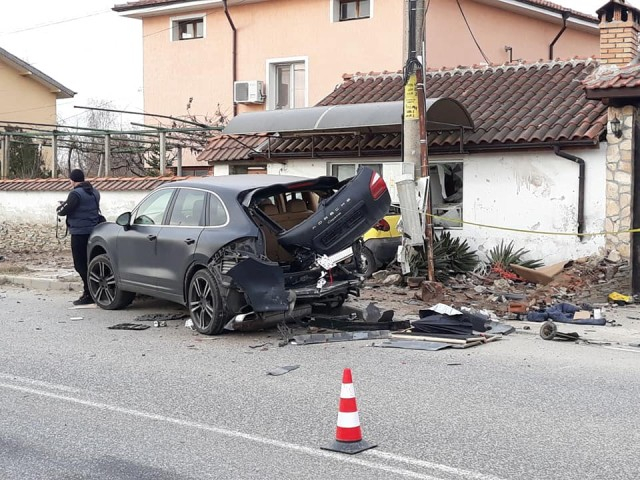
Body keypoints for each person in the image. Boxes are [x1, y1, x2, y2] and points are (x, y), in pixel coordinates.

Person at [56, 169, 101, 305]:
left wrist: (60, 206)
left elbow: (63, 211)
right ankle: (97, 290)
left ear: (72, 180)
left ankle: (88, 293)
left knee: (80, 264)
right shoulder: (94, 192)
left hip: (79, 233)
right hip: (94, 231)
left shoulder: (75, 194)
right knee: (91, 262)